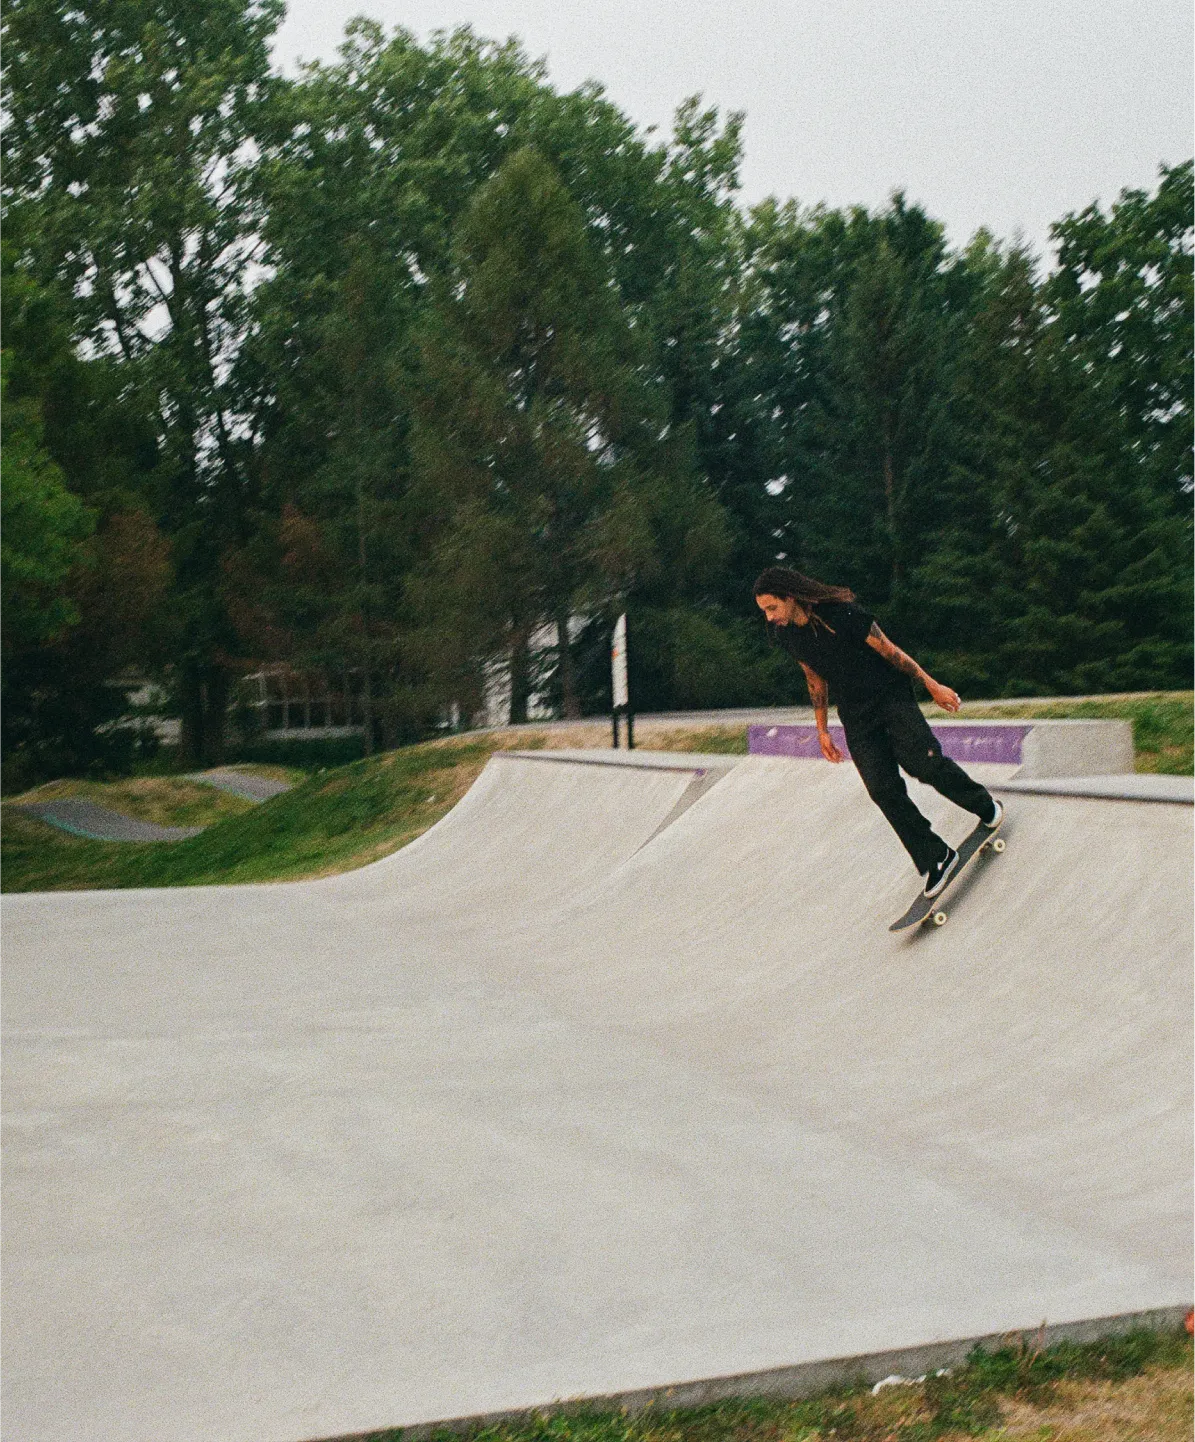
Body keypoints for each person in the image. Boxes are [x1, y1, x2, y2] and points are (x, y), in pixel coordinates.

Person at [753, 566, 1003, 896]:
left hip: (890, 697)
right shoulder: (787, 634)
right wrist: (822, 730)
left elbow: (889, 650)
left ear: (790, 598)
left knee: (924, 764)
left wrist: (932, 685)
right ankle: (935, 858)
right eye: (765, 612)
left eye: (772, 608)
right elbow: (814, 678)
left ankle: (984, 806)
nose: (770, 618)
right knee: (881, 789)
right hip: (855, 715)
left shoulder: (842, 614)